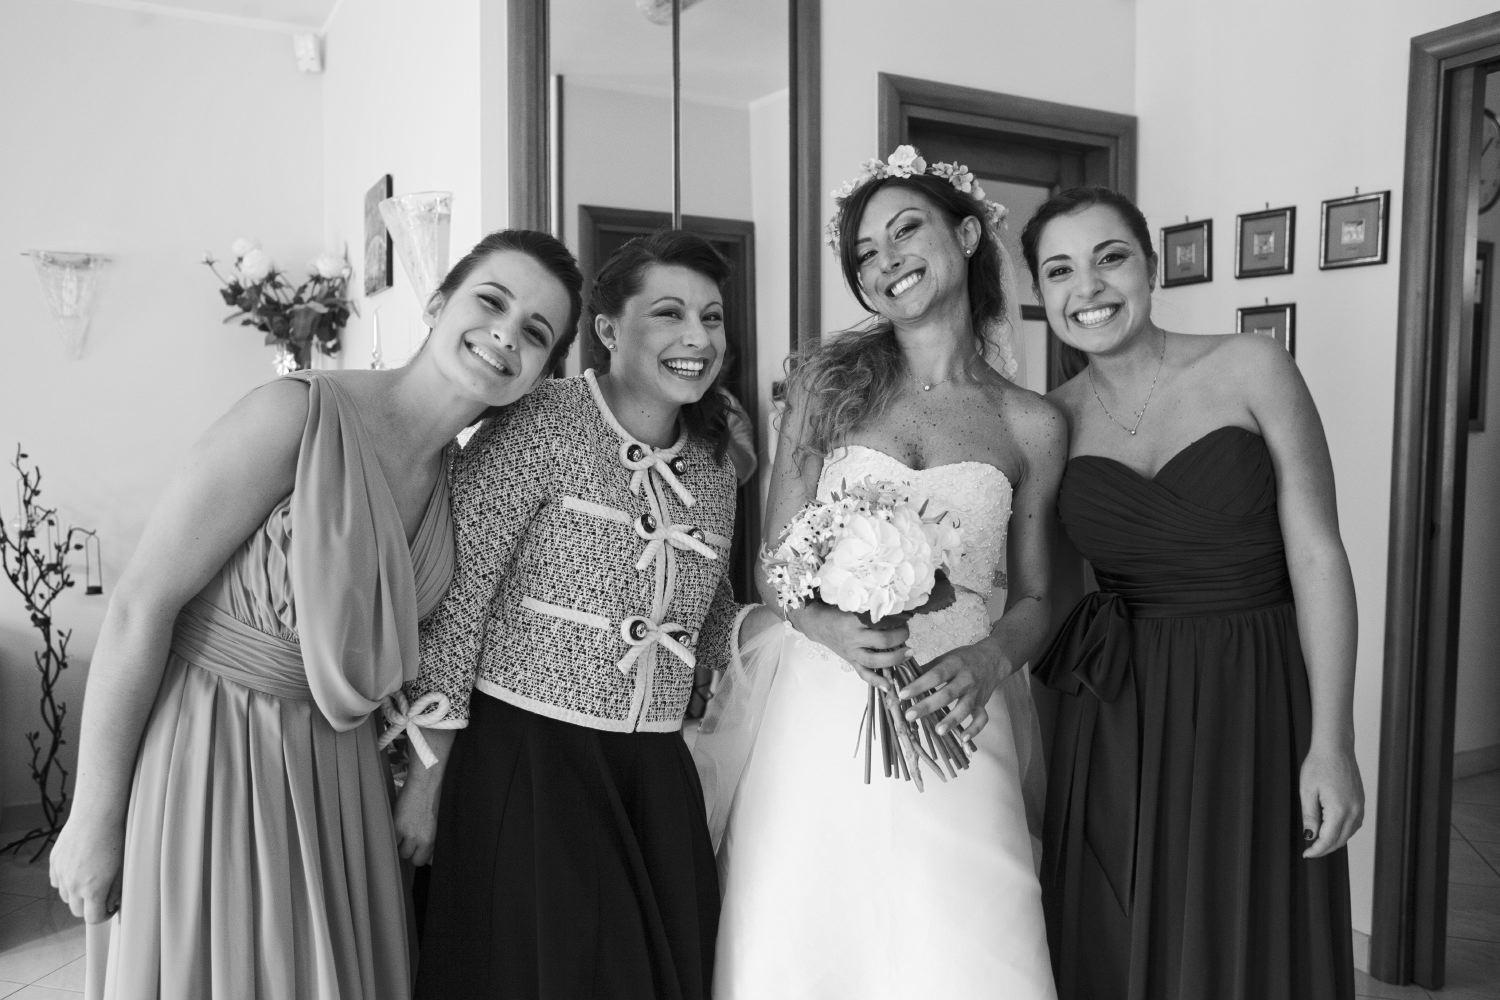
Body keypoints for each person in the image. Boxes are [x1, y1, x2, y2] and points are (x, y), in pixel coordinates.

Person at [46, 229, 585, 999]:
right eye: (490, 301)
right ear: (438, 304)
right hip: (213, 751)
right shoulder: (295, 415)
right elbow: (141, 604)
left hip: (339, 779)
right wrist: (93, 815)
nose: (506, 334)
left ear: (540, 373)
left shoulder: (463, 486)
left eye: (535, 332)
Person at [706, 146, 1065, 998]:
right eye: (865, 253)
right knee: (811, 938)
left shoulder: (1033, 423)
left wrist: (989, 659)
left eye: (907, 230)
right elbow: (775, 562)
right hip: (820, 710)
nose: (886, 260)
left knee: (969, 945)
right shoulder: (824, 384)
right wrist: (826, 626)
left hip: (956, 711)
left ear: (967, 236)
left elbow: (1038, 596)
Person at [392, 230, 759, 1000]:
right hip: (527, 762)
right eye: (669, 313)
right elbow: (461, 601)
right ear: (608, 330)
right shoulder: (539, 422)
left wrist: (806, 631)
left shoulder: (716, 465)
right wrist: (427, 777)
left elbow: (709, 610)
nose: (698, 338)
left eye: (712, 317)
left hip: (655, 774)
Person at [1021, 186, 1362, 1000]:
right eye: (1060, 270)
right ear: (1040, 294)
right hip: (1118, 712)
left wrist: (1333, 741)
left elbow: (1318, 555)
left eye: (1110, 258)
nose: (1088, 287)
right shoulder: (1049, 422)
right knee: (1122, 933)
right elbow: (1047, 604)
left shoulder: (1253, 367)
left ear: (1151, 266)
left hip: (1257, 693)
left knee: (1247, 918)